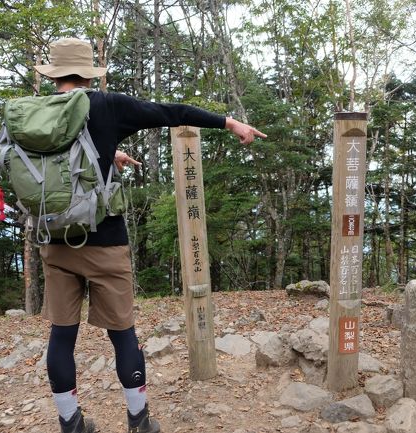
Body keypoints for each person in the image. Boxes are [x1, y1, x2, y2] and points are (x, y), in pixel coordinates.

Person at [33, 38, 266, 433]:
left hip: (55, 240)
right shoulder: (106, 105)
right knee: (123, 333)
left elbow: (51, 169)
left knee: (62, 334)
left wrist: (110, 156)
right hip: (104, 240)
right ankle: (139, 421)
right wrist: (229, 122)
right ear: (89, 72)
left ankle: (70, 423)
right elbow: (171, 112)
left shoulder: (36, 114)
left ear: (55, 75)